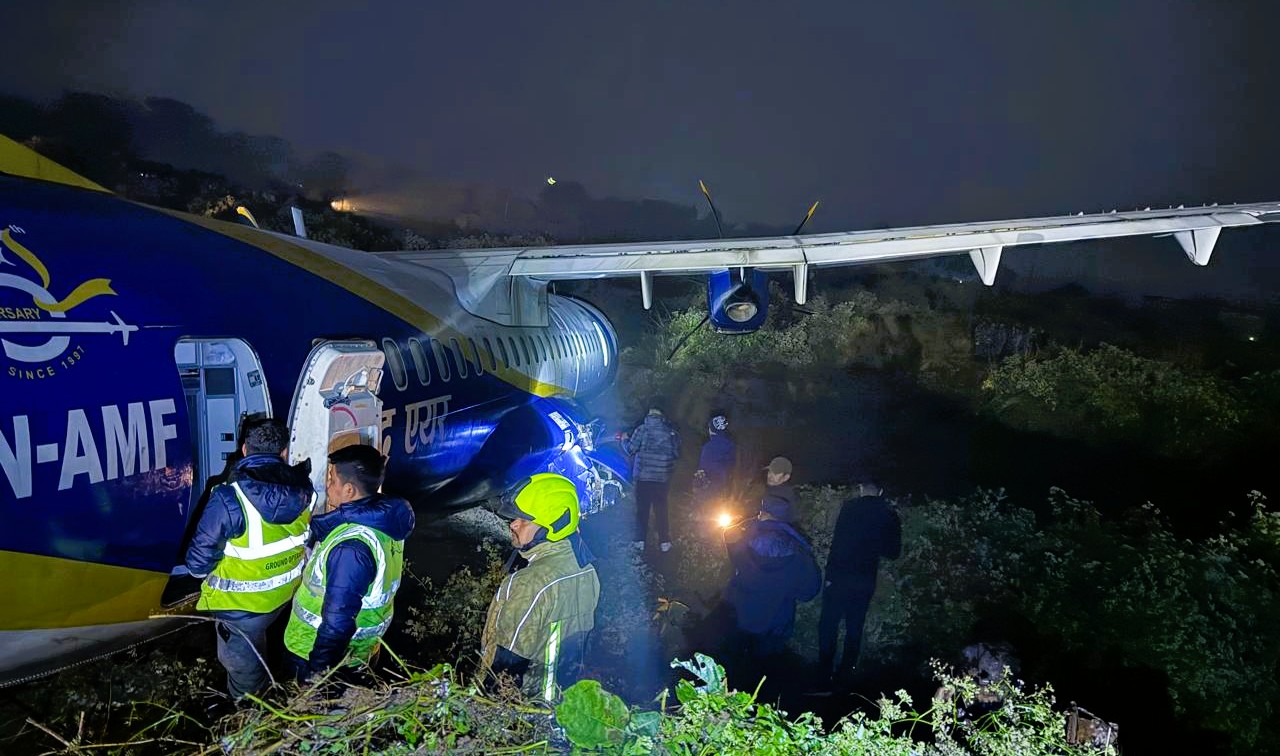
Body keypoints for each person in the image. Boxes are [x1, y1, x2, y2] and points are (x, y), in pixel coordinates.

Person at [185, 417, 314, 701]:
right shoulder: (306, 490)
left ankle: (249, 725)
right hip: (284, 598)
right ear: (283, 452)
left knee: (246, 682)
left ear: (244, 450)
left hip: (240, 610)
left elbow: (196, 565)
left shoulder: (229, 498)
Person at [284, 444, 415, 681]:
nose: (327, 485)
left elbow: (336, 624)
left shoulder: (352, 548)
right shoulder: (385, 524)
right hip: (360, 653)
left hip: (317, 654)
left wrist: (317, 677)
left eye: (331, 480)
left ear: (349, 490)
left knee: (318, 716)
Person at [480, 473, 601, 702]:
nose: (513, 524)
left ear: (551, 527)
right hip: (561, 704)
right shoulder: (587, 571)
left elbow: (504, 670)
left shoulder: (530, 583)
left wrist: (486, 714)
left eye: (525, 520)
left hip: (524, 710)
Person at [815, 482, 901, 690]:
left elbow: (838, 544)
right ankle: (845, 675)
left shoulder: (849, 509)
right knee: (855, 627)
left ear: (861, 489)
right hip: (864, 579)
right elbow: (893, 552)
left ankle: (824, 672)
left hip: (840, 576)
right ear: (880, 491)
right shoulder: (889, 515)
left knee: (828, 624)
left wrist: (830, 575)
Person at [724, 493, 821, 657]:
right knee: (764, 672)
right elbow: (809, 592)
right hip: (776, 625)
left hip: (740, 618)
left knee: (734, 669)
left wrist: (752, 522)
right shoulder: (800, 553)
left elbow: (728, 534)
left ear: (763, 514)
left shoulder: (743, 542)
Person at [624, 405, 681, 552]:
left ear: (649, 414)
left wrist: (623, 440)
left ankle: (640, 541)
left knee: (642, 509)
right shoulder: (670, 432)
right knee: (661, 509)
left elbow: (630, 449)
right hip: (662, 478)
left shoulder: (642, 430)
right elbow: (676, 454)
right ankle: (664, 542)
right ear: (662, 415)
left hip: (644, 477)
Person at [694, 413, 736, 505]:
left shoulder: (708, 447)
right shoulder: (732, 446)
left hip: (710, 487)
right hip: (728, 487)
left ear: (711, 430)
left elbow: (703, 468)